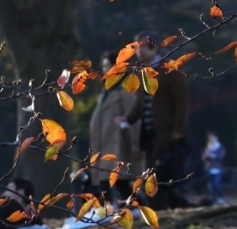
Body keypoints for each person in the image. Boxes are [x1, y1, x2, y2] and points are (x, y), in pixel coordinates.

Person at [116, 31, 191, 210]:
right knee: (153, 173)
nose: (138, 52)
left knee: (157, 173)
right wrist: (128, 118)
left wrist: (178, 129)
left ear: (153, 47)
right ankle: (171, 207)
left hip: (166, 131)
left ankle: (160, 209)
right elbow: (141, 104)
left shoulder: (170, 69)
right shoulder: (143, 73)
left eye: (141, 47)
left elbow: (182, 101)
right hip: (148, 132)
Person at [89, 50, 143, 202]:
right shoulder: (105, 93)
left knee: (110, 183)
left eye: (108, 66)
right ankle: (136, 208)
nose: (105, 70)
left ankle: (138, 208)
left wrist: (136, 147)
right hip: (103, 146)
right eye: (104, 66)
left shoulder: (125, 92)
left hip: (118, 147)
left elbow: (134, 120)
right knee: (110, 183)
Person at [202, 131, 227, 205]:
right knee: (210, 187)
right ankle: (214, 200)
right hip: (209, 169)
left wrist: (211, 155)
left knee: (217, 185)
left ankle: (221, 197)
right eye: (209, 138)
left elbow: (221, 157)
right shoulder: (208, 147)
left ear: (216, 138)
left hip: (217, 170)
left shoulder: (220, 147)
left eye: (212, 137)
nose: (211, 139)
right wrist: (204, 157)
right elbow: (204, 158)